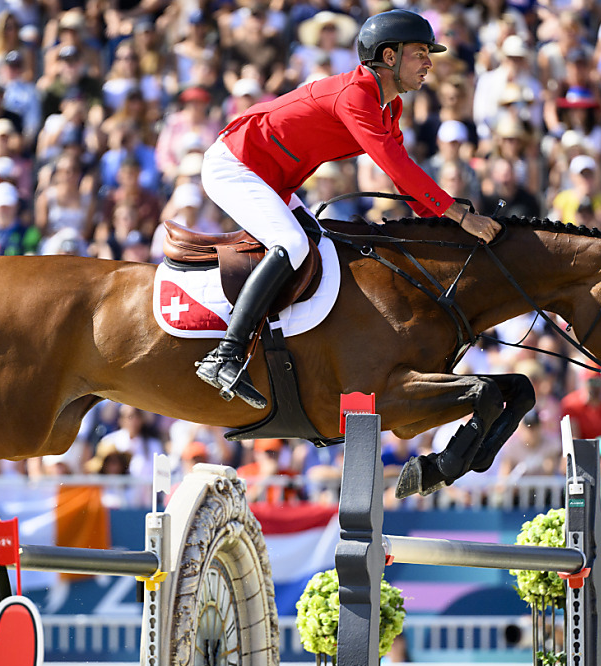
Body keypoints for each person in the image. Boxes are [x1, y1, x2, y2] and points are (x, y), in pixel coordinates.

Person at [197, 10, 501, 407]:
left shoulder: (389, 107)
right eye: (420, 52)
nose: (429, 62)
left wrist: (444, 225)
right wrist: (459, 216)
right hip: (234, 165)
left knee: (321, 246)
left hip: (271, 179)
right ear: (389, 57)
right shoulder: (357, 96)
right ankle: (226, 354)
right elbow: (397, 167)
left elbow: (402, 179)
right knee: (292, 243)